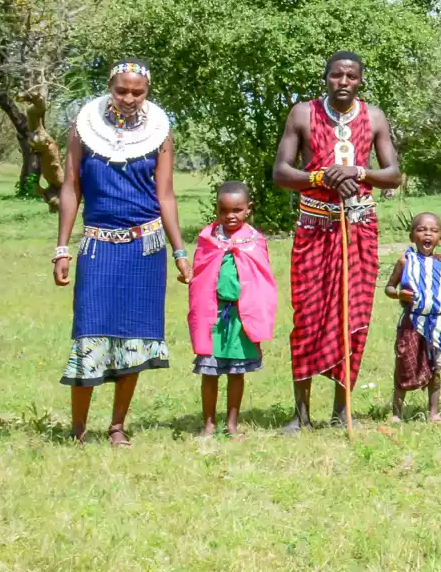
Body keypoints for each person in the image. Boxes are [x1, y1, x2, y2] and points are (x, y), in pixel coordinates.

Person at [52, 60, 191, 446]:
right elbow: (71, 188)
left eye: (138, 92)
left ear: (147, 92)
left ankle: (117, 427)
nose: (129, 98)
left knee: (135, 336)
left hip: (145, 249)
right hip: (97, 246)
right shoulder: (84, 127)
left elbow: (165, 195)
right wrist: (62, 248)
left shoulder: (160, 132)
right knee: (89, 332)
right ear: (110, 87)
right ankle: (78, 430)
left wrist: (179, 251)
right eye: (121, 90)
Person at [271, 51, 403, 431]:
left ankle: (341, 411)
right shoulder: (302, 113)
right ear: (325, 78)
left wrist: (357, 171)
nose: (343, 82)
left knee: (352, 315)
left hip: (359, 226)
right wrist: (321, 177)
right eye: (336, 76)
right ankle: (301, 415)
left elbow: (392, 174)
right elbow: (281, 172)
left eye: (350, 76)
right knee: (308, 316)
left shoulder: (374, 116)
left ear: (360, 80)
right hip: (314, 227)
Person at [187, 182, 277, 439]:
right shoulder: (208, 239)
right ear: (217, 209)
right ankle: (208, 424)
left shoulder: (255, 241)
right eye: (224, 210)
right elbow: (200, 276)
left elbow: (262, 280)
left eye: (237, 210)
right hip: (212, 316)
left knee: (237, 372)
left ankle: (232, 424)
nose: (230, 216)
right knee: (209, 371)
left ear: (248, 209)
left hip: (241, 318)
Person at [386, 212, 441, 423]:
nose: (428, 234)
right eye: (422, 230)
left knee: (434, 367)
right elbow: (389, 287)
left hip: (436, 324)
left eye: (433, 231)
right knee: (404, 364)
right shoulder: (405, 261)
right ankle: (396, 413)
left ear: (440, 238)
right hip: (412, 323)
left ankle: (434, 413)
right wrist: (399, 294)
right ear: (411, 236)